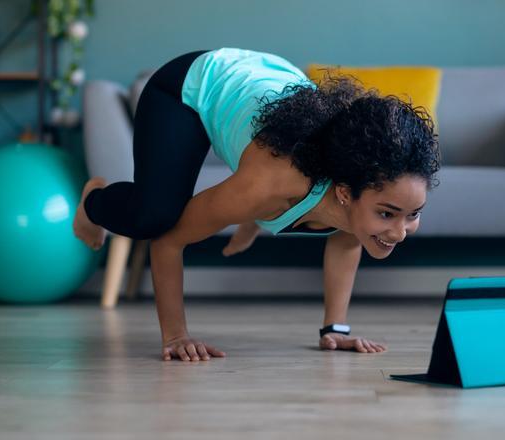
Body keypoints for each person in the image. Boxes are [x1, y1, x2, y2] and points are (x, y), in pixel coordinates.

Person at [73, 47, 441, 362]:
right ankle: (95, 200)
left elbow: (347, 240)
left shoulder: (353, 195)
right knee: (154, 217)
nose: (399, 231)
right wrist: (176, 337)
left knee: (275, 202)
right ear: (344, 193)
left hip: (265, 85)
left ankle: (256, 217)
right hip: (191, 86)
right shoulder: (270, 183)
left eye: (414, 215)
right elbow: (170, 242)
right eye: (387, 214)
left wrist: (335, 330)